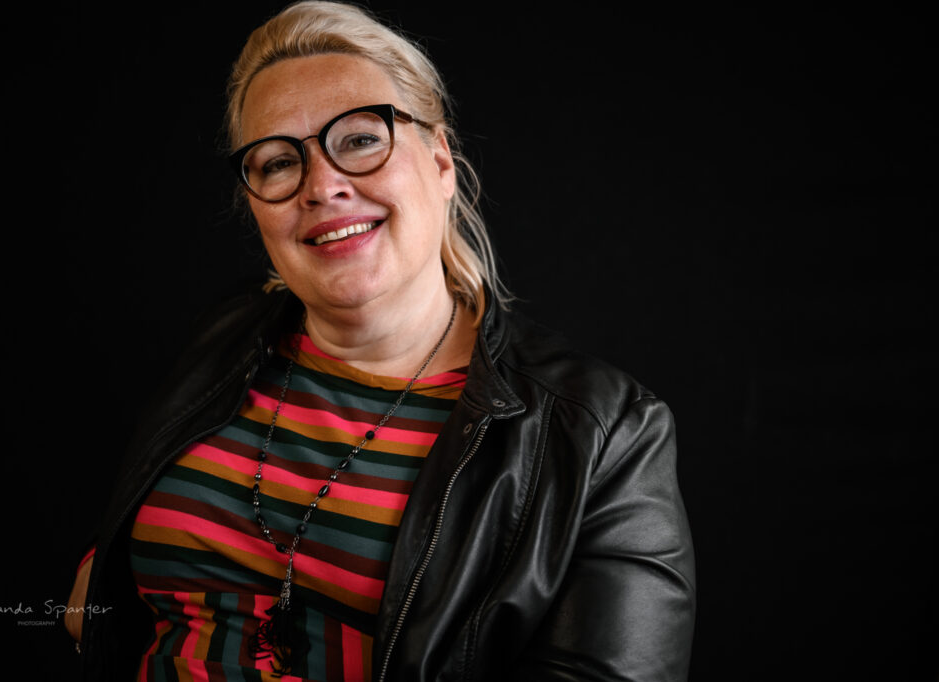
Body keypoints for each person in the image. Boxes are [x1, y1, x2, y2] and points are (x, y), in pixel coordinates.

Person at [66, 2, 696, 680]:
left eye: (362, 139)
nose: (322, 186)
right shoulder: (230, 335)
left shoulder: (601, 431)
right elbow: (106, 586)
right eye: (278, 162)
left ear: (441, 161)